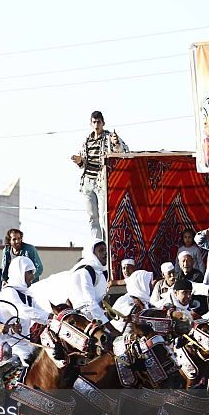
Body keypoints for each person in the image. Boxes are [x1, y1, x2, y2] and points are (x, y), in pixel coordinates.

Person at [70, 110, 129, 241]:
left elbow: (123, 151)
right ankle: (96, 243)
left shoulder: (109, 137)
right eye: (94, 122)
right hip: (88, 181)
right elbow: (84, 162)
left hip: (101, 180)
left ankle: (106, 243)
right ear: (90, 123)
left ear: (103, 123)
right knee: (92, 216)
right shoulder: (87, 141)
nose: (96, 124)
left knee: (104, 216)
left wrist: (116, 143)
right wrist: (79, 161)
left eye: (98, 122)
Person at [0, 256, 49, 363]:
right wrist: (48, 317)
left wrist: (57, 318)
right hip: (10, 345)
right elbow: (22, 311)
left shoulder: (27, 295)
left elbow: (41, 311)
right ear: (19, 273)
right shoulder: (8, 292)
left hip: (25, 344)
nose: (32, 276)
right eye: (29, 273)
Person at [70, 239, 109, 323]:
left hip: (98, 317)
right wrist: (107, 324)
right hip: (84, 319)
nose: (105, 253)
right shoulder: (84, 271)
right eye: (101, 250)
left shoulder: (101, 271)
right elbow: (90, 302)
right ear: (92, 254)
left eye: (106, 250)